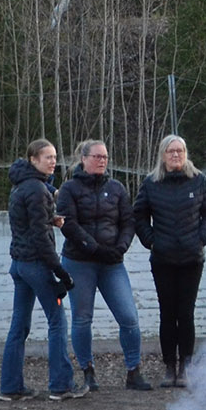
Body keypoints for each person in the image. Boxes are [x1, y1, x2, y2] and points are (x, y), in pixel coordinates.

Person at [57, 140, 152, 393]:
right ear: (84, 158)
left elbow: (128, 221)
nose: (102, 160)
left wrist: (121, 247)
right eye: (97, 156)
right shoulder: (69, 188)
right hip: (79, 261)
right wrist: (93, 247)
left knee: (129, 317)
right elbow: (68, 224)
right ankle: (88, 372)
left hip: (112, 263)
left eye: (105, 157)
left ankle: (133, 371)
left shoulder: (117, 188)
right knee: (82, 319)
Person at [133, 134, 206, 388]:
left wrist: (202, 238)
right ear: (162, 155)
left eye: (180, 151)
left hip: (192, 258)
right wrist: (151, 241)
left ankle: (186, 367)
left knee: (186, 313)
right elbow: (139, 215)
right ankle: (169, 366)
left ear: (186, 153)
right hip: (162, 259)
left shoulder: (199, 181)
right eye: (171, 151)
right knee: (167, 314)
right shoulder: (151, 183)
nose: (176, 155)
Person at [0, 139, 82, 402]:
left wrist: (49, 219)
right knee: (57, 321)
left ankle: (10, 387)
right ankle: (61, 385)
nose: (53, 161)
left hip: (19, 264)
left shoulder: (23, 185)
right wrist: (59, 270)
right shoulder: (37, 190)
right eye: (47, 157)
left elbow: (30, 224)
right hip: (35, 264)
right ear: (33, 160)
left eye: (54, 156)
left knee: (19, 326)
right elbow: (38, 237)